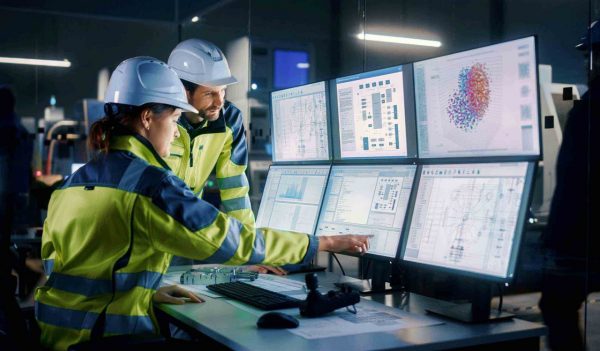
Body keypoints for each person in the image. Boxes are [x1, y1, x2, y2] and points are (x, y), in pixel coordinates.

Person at [34, 57, 370, 351]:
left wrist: (146, 293)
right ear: (149, 118)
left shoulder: (72, 185)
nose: (177, 131)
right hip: (109, 338)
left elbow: (70, 268)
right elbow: (226, 239)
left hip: (57, 336)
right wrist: (320, 243)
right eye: (175, 118)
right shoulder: (149, 185)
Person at [539, 21, 600, 350]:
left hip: (581, 242)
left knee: (556, 305)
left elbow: (574, 181)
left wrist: (554, 238)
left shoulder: (589, 109)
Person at [166, 39, 253, 228]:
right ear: (184, 92)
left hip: (188, 226)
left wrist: (249, 241)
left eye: (223, 91)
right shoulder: (160, 120)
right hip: (152, 226)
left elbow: (235, 185)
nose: (219, 102)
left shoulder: (230, 119)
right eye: (209, 94)